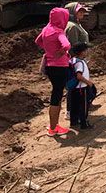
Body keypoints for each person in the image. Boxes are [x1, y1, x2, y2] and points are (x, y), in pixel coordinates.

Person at [35, 7, 72, 137]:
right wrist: (61, 52)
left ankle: (53, 125)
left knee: (55, 93)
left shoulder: (46, 29)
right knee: (57, 96)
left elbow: (38, 41)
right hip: (60, 67)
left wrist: (49, 51)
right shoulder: (59, 32)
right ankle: (53, 128)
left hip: (50, 66)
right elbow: (67, 45)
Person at [64, 2, 90, 120]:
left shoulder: (76, 24)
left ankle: (76, 107)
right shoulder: (72, 27)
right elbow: (73, 47)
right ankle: (70, 110)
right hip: (76, 61)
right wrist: (78, 61)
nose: (82, 13)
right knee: (74, 85)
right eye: (79, 11)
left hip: (80, 59)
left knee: (77, 85)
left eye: (83, 11)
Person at [69, 42, 95, 130]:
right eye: (86, 50)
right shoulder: (80, 63)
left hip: (74, 88)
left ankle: (74, 121)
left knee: (74, 105)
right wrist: (88, 83)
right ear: (82, 52)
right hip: (81, 88)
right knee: (83, 106)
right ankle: (84, 124)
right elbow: (79, 76)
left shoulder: (72, 60)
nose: (87, 51)